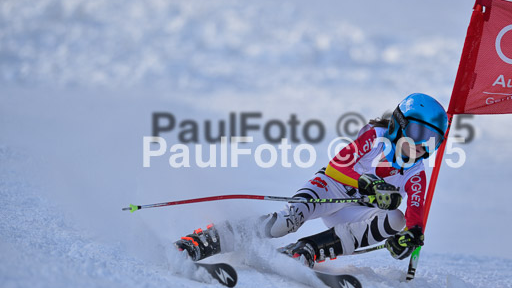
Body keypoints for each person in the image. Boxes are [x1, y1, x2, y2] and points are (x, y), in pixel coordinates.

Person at [175, 93, 448, 267]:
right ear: (399, 123)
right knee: (284, 222)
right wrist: (367, 183)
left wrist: (407, 239)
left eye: (431, 140)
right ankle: (209, 239)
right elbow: (335, 168)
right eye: (417, 131)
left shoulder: (416, 172)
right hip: (332, 188)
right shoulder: (375, 137)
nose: (421, 144)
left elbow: (414, 216)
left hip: (354, 213)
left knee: (396, 219)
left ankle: (310, 249)